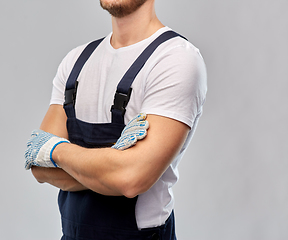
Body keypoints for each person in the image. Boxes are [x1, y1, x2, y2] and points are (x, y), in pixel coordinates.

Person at [24, 0, 207, 239]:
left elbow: (130, 179)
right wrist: (114, 163)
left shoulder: (175, 60)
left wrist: (54, 150)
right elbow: (40, 169)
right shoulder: (74, 62)